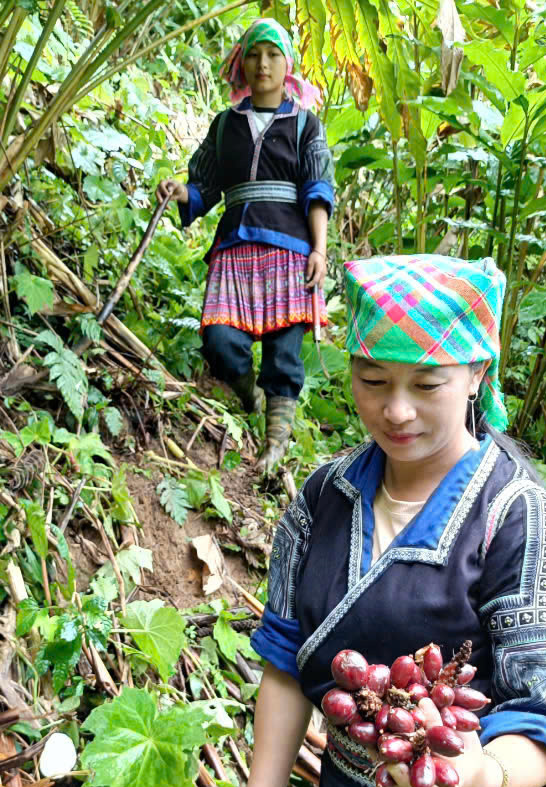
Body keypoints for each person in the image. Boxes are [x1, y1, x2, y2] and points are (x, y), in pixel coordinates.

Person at [230, 255, 546, 787]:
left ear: (476, 375)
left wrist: (478, 775)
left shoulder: (527, 523)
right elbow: (288, 664)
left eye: (427, 383)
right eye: (372, 381)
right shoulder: (322, 501)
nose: (395, 409)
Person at [156, 19, 334, 475]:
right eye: (255, 54)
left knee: (284, 351)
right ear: (242, 62)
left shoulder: (305, 125)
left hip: (290, 251)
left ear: (287, 64)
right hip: (234, 248)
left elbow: (317, 191)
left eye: (273, 55)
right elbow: (204, 187)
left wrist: (319, 249)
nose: (263, 64)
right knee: (219, 339)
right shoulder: (225, 125)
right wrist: (182, 193)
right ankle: (247, 394)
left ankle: (274, 443)